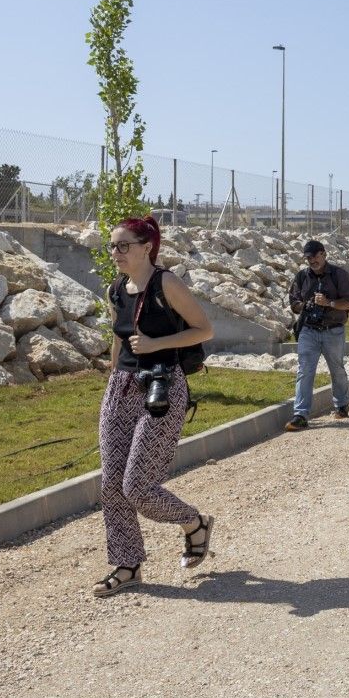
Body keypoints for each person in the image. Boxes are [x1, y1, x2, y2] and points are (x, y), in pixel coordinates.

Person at [93, 216, 216, 596]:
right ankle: (127, 565)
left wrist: (156, 345)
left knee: (138, 487)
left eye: (122, 246)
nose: (115, 253)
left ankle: (194, 522)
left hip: (162, 387)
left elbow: (204, 329)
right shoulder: (117, 288)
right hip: (121, 388)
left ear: (146, 247)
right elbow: (120, 336)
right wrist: (114, 372)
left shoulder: (166, 283)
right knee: (112, 484)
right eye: (112, 246)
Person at [285, 240, 349, 431]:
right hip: (308, 330)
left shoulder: (339, 275)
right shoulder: (301, 276)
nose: (312, 261)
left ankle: (341, 404)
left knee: (337, 370)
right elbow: (293, 302)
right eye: (308, 258)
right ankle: (300, 414)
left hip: (333, 331)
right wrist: (304, 305)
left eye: (315, 256)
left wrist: (329, 303)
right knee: (305, 371)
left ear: (324, 254)